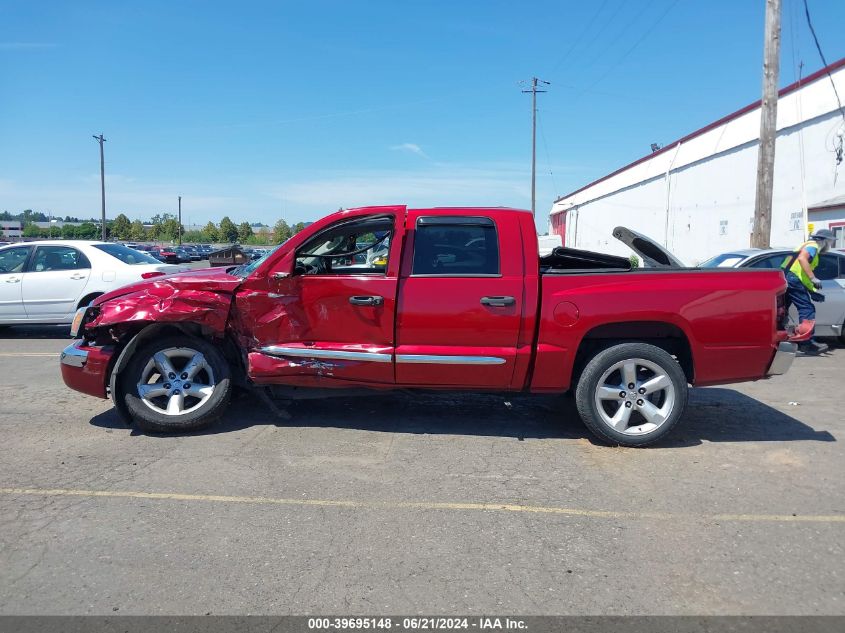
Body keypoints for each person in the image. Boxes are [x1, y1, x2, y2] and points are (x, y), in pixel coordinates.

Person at [782, 229, 836, 354]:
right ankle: (807, 343)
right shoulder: (813, 246)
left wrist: (812, 291)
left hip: (788, 278)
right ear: (825, 241)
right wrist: (813, 278)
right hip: (794, 279)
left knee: (782, 310)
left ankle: (780, 338)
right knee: (807, 309)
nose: (831, 245)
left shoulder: (804, 245)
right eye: (830, 242)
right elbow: (802, 259)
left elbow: (796, 269)